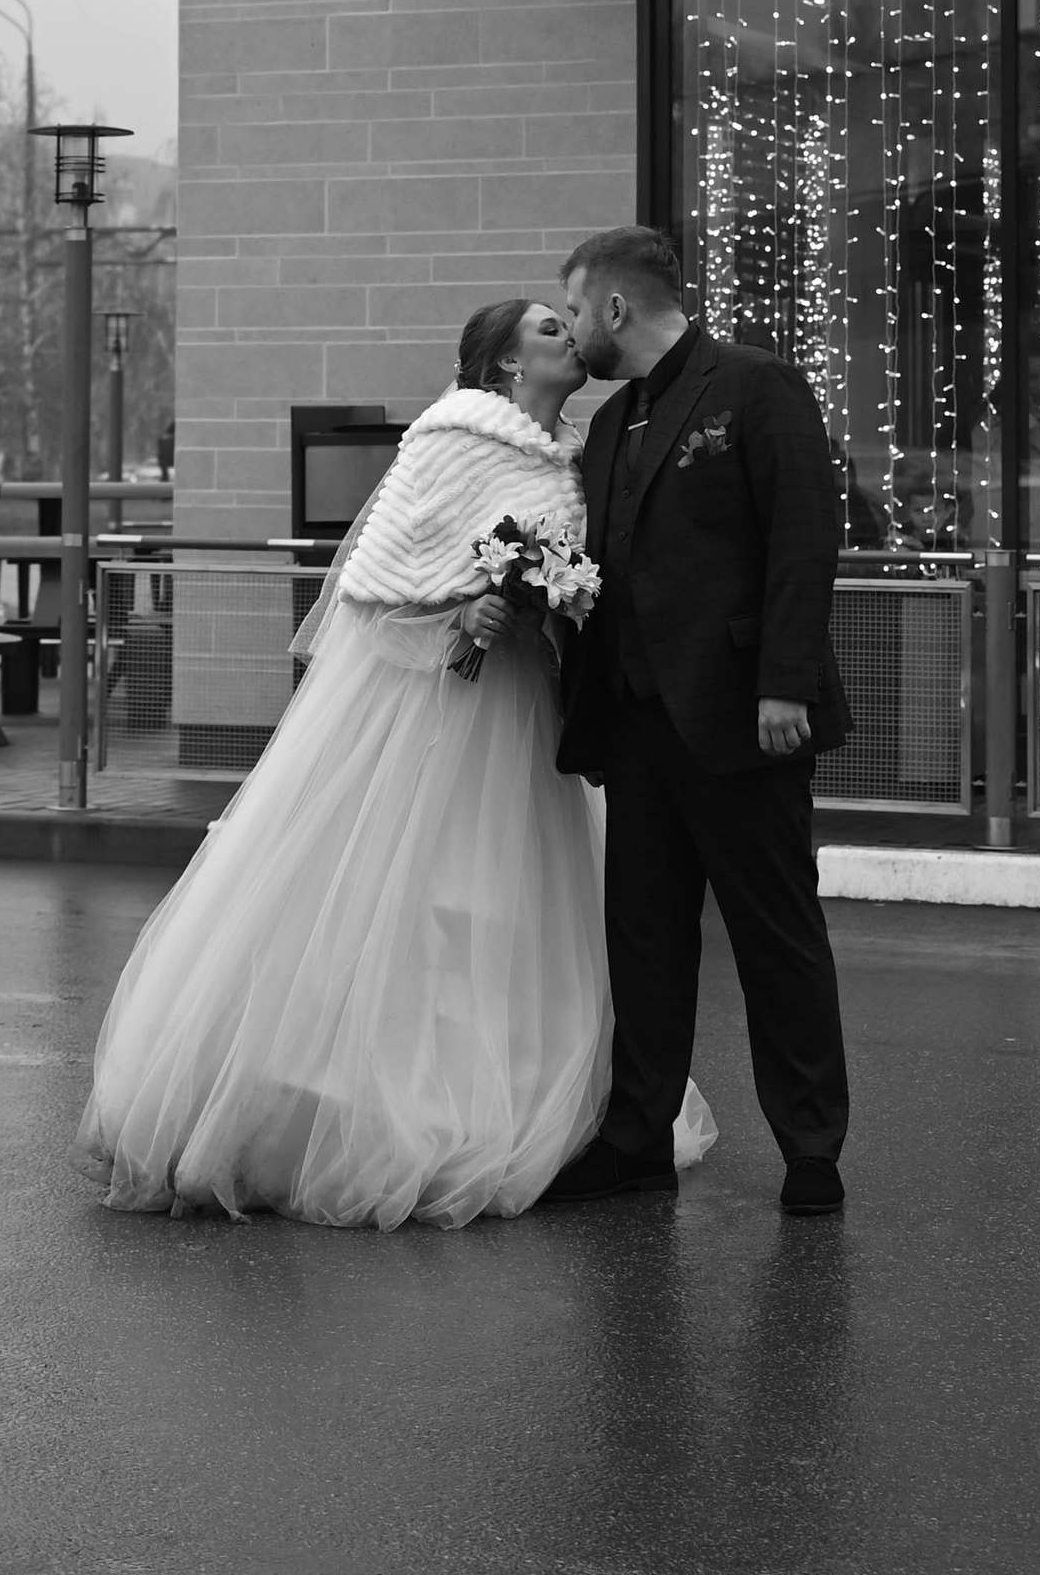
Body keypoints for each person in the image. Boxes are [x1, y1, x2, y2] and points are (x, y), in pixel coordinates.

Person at [76, 298, 714, 1229]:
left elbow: (578, 581)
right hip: (437, 708)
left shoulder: (576, 456)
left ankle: (504, 1098)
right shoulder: (450, 439)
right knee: (412, 890)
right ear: (504, 364)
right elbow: (379, 588)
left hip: (525, 710)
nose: (568, 336)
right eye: (547, 328)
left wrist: (547, 609)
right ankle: (347, 1107)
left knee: (507, 903)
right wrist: (459, 612)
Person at [545, 227, 852, 1218]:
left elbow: (804, 535)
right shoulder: (612, 420)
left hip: (742, 717)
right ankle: (636, 1140)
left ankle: (811, 1149)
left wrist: (784, 683)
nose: (573, 330)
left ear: (617, 307)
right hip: (636, 726)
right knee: (644, 942)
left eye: (577, 309)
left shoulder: (755, 385)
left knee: (776, 937)